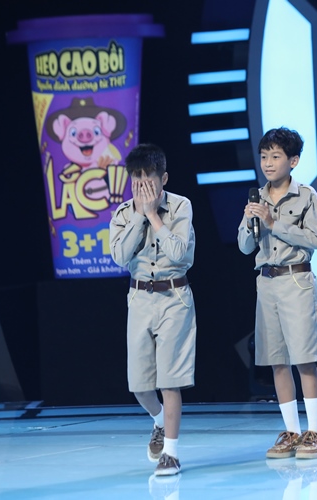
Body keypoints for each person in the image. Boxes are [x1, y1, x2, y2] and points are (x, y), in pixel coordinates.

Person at [237, 127, 317, 459]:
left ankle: (315, 431)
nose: (268, 163)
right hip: (266, 282)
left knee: (304, 359)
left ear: (293, 161)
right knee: (276, 360)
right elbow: (244, 247)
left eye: (275, 156)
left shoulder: (307, 196)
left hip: (296, 279)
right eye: (264, 156)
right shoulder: (256, 197)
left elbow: (314, 239)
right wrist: (250, 222)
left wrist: (274, 223)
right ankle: (291, 431)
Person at [110, 143, 196, 476]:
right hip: (139, 299)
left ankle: (170, 454)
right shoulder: (122, 213)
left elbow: (179, 253)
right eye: (136, 179)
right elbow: (120, 257)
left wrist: (153, 215)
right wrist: (138, 215)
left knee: (169, 381)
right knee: (140, 385)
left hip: (174, 297)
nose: (142, 186)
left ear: (164, 179)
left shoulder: (181, 206)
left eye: (148, 179)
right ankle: (159, 420)